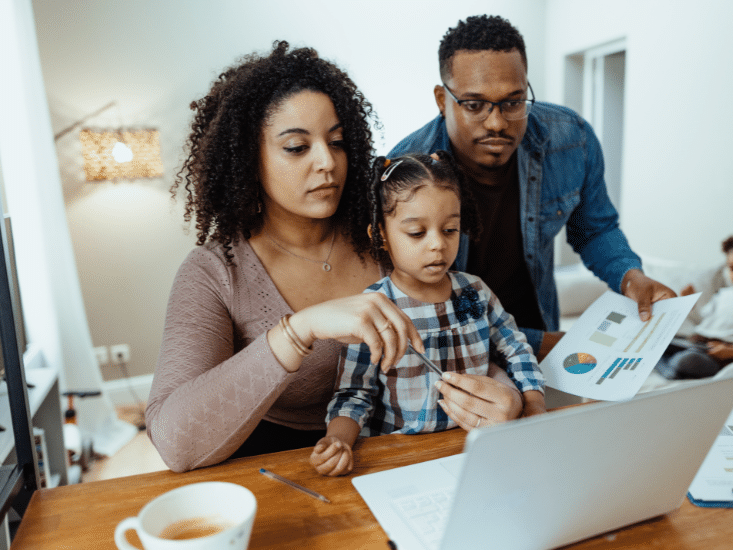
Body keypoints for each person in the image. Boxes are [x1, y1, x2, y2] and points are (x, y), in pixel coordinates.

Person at [147, 41, 526, 473]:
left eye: (338, 141)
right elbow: (175, 443)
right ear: (248, 158)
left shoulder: (389, 236)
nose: (328, 162)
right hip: (281, 473)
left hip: (397, 460)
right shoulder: (215, 272)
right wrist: (300, 329)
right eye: (296, 147)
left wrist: (503, 393)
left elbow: (463, 336)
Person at [388, 15, 675, 360]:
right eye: (475, 105)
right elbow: (412, 299)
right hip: (454, 355)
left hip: (541, 329)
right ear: (441, 99)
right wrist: (544, 345)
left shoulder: (571, 140)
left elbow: (595, 229)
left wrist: (630, 277)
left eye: (513, 101)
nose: (496, 123)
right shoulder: (404, 171)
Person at [310, 152, 547, 476]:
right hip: (401, 461)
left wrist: (534, 406)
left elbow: (516, 349)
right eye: (417, 233)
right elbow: (355, 393)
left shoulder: (473, 294)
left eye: (450, 229)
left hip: (476, 454)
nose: (438, 244)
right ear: (380, 235)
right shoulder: (375, 309)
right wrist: (338, 440)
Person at [656, 235, 733, 379]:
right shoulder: (723, 294)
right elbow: (704, 318)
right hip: (697, 343)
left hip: (720, 355)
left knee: (687, 360)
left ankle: (670, 368)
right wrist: (690, 304)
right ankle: (671, 367)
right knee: (657, 342)